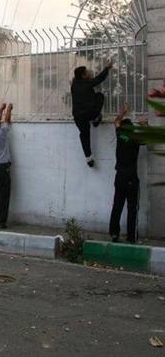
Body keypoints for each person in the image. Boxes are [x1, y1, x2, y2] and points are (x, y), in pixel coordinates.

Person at [109, 103, 147, 243]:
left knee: (117, 205)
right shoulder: (135, 138)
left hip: (119, 176)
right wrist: (144, 125)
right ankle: (131, 237)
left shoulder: (120, 135)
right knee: (132, 207)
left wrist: (122, 112)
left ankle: (114, 233)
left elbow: (116, 121)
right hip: (131, 177)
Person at [70, 60, 114, 167]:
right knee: (99, 96)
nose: (90, 73)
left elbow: (74, 81)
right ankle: (95, 119)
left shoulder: (74, 84)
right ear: (83, 76)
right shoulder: (86, 83)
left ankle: (88, 159)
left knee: (84, 135)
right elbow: (100, 78)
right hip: (89, 113)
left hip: (78, 116)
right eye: (88, 72)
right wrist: (107, 68)